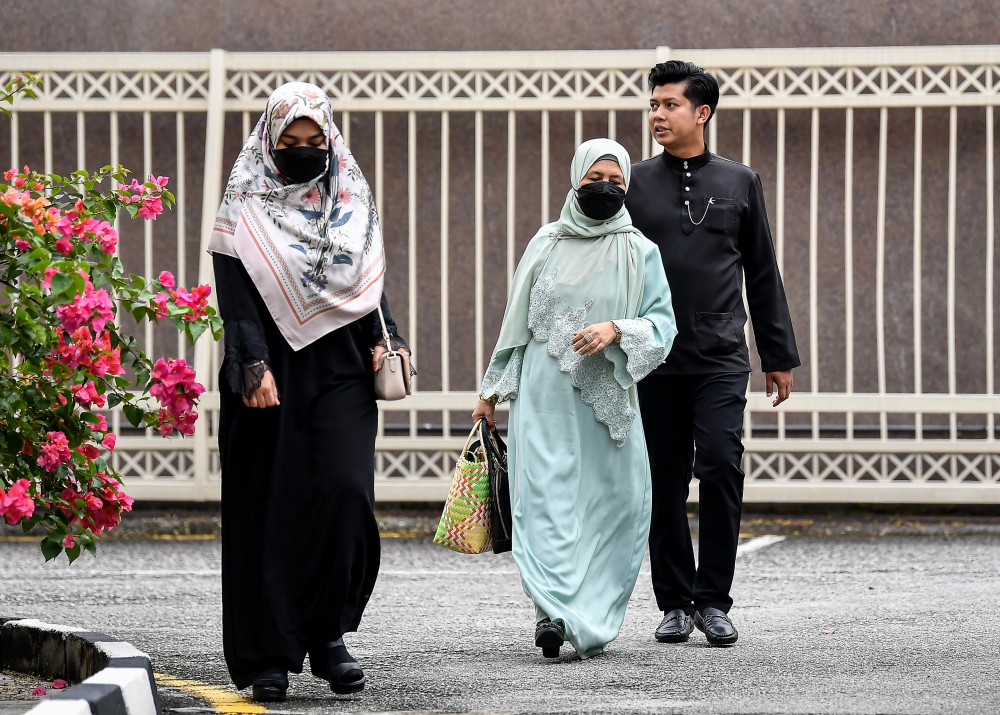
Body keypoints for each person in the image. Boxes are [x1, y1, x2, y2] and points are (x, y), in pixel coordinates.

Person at [208, 82, 410, 700]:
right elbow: (234, 291)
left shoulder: (351, 200)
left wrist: (386, 336)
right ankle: (269, 654)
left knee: (344, 495)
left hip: (343, 365)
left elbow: (364, 282)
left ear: (329, 140)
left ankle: (328, 636)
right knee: (269, 508)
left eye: (313, 140)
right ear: (270, 141)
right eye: (290, 141)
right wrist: (251, 364)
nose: (302, 150)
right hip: (270, 372)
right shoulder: (244, 203)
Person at [472, 138, 677, 660]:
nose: (605, 188)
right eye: (595, 179)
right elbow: (515, 323)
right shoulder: (546, 241)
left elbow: (662, 325)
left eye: (616, 181)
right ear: (575, 179)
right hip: (543, 398)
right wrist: (490, 394)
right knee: (546, 500)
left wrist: (616, 329)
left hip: (605, 401)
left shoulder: (640, 251)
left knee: (611, 505)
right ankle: (551, 612)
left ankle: (588, 614)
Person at [626, 61, 800, 646]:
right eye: (653, 105)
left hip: (721, 353)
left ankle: (713, 600)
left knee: (721, 463)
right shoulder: (633, 183)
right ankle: (674, 602)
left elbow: (761, 270)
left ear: (702, 112)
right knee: (663, 478)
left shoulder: (739, 181)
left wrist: (778, 353)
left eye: (670, 105)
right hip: (653, 355)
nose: (657, 114)